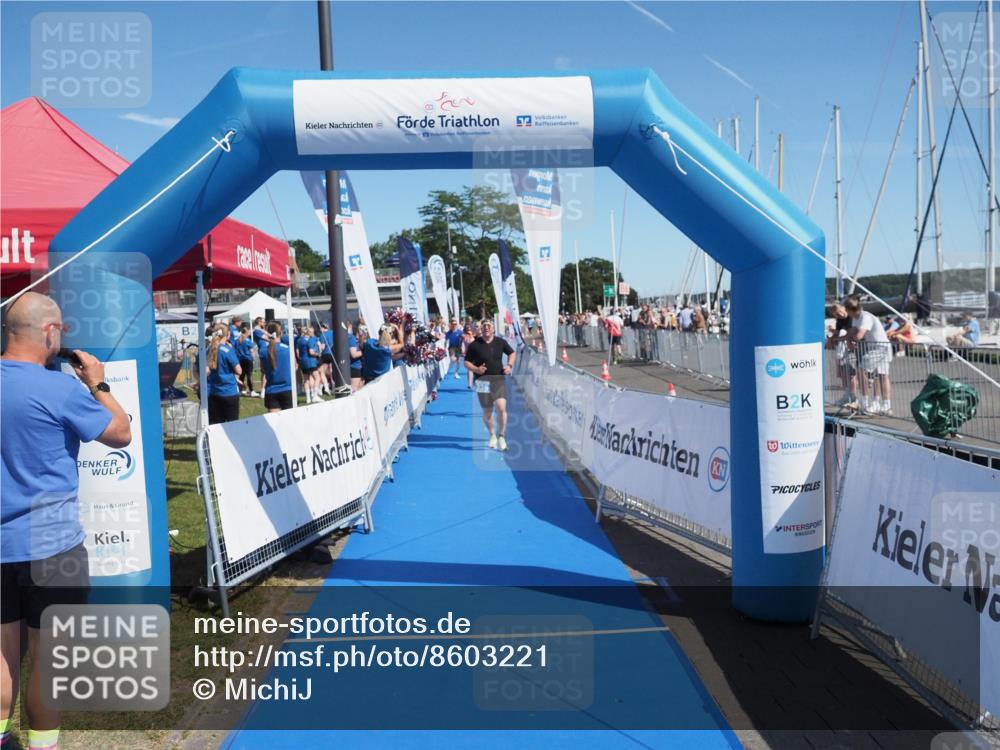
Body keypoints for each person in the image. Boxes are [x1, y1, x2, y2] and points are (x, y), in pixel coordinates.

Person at [1, 293, 131, 750]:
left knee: (2, 657)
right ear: (49, 333)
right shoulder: (60, 389)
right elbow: (120, 433)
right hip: (54, 546)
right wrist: (98, 383)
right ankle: (42, 744)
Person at [464, 319, 517, 451]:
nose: (486, 328)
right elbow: (466, 362)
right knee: (487, 411)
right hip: (482, 380)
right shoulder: (474, 345)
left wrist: (509, 366)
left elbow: (512, 353)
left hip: (498, 378)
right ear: (480, 329)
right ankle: (492, 434)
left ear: (493, 329)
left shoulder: (500, 342)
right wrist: (476, 369)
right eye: (484, 326)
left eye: (489, 326)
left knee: (501, 408)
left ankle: (502, 436)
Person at [845, 296, 892, 416]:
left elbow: (859, 335)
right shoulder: (857, 318)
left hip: (881, 347)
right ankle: (880, 404)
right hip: (877, 347)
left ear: (851, 309)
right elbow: (853, 332)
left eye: (847, 310)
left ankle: (865, 401)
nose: (847, 313)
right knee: (879, 376)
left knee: (863, 370)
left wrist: (851, 337)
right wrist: (850, 337)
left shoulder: (865, 317)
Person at [206, 323, 242, 423]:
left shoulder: (210, 349)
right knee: (232, 424)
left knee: (217, 424)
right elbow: (239, 370)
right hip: (229, 392)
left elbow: (207, 371)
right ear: (228, 334)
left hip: (215, 392)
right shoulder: (228, 350)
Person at [826, 303, 858, 407]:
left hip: (851, 348)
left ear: (843, 308)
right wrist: (832, 336)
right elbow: (838, 332)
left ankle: (853, 396)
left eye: (840, 312)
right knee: (844, 373)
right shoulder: (839, 320)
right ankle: (847, 394)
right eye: (837, 314)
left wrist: (836, 335)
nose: (839, 315)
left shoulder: (850, 318)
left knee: (851, 373)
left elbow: (849, 332)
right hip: (843, 349)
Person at [260, 322, 295, 412]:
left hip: (271, 390)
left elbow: (263, 369)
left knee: (274, 424)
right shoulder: (287, 349)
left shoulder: (263, 351)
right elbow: (295, 367)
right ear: (281, 333)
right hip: (287, 389)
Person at [235, 324, 257, 396]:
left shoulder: (237, 340)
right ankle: (252, 391)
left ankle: (241, 390)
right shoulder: (248, 341)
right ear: (247, 331)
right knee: (249, 375)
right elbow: (252, 351)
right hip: (248, 360)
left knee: (242, 375)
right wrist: (253, 358)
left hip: (240, 360)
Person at [347, 321, 364, 391]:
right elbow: (353, 354)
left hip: (358, 367)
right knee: (354, 391)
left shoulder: (352, 338)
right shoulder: (351, 338)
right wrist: (366, 351)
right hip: (355, 367)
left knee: (360, 390)